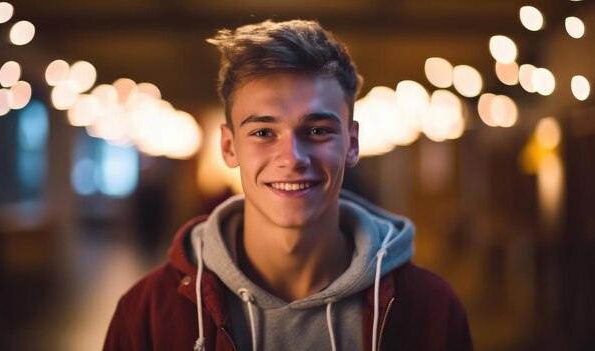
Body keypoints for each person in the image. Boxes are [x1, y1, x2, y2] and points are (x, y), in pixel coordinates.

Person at [104, 19, 472, 351]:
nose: (292, 157)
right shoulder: (148, 312)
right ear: (229, 147)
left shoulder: (431, 308)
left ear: (352, 143)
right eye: (264, 132)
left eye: (317, 131)